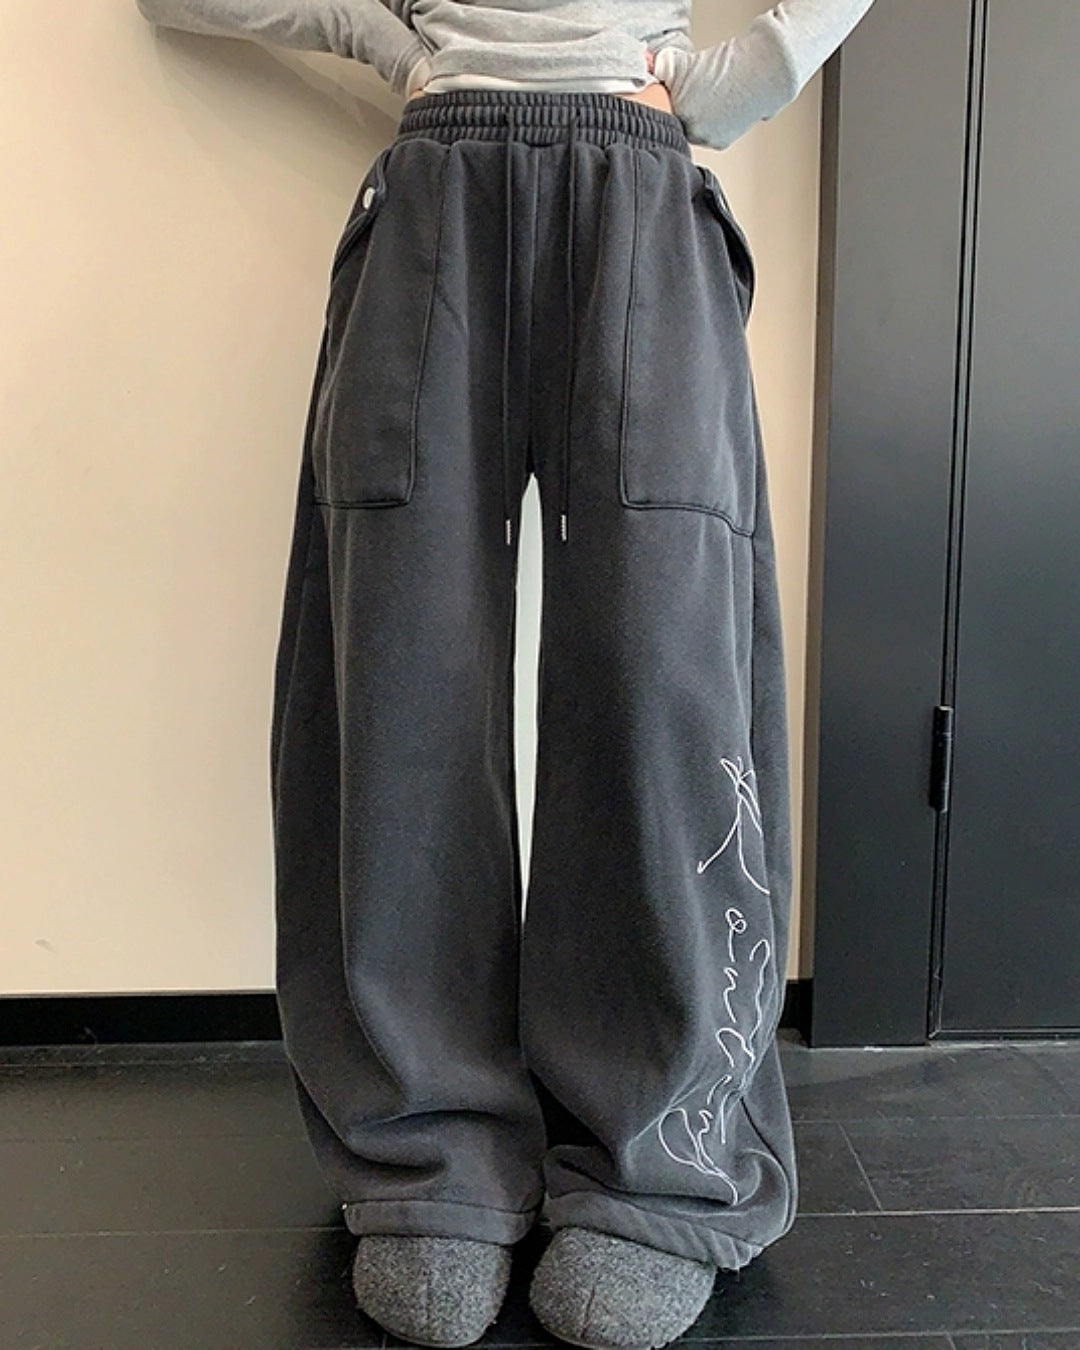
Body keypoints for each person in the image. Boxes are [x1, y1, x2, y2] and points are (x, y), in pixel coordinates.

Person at [134, 4, 877, 1348]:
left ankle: (658, 1165)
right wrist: (395, 45)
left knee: (662, 687)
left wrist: (743, 75)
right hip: (436, 203)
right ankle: (430, 1156)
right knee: (399, 677)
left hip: (643, 197)